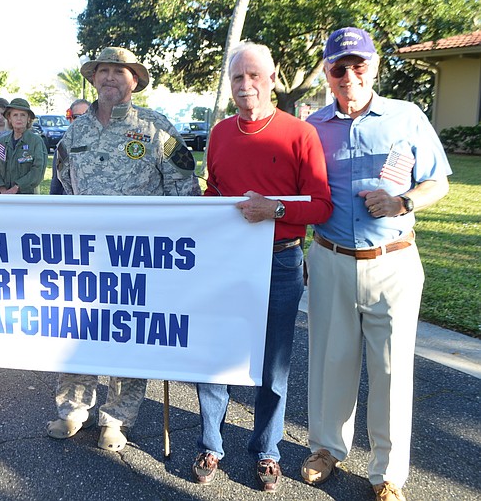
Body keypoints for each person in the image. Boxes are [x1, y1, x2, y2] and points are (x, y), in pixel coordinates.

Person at [300, 28, 451, 501]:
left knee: (390, 370)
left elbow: (438, 182)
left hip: (393, 262)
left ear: (374, 67)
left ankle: (388, 473)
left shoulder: (407, 117)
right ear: (326, 73)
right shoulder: (313, 126)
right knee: (330, 361)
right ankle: (326, 449)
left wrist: (403, 201)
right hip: (329, 258)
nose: (349, 75)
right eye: (338, 68)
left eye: (358, 65)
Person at [190, 43, 333, 492]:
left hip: (280, 259)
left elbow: (321, 206)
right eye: (237, 78)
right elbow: (216, 190)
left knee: (273, 365)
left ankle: (268, 451)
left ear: (272, 79)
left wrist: (272, 210)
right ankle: (211, 442)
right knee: (215, 355)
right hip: (226, 260)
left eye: (254, 76)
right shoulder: (220, 133)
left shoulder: (300, 133)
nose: (245, 85)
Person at [48, 47, 200, 451]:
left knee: (128, 333)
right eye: (103, 71)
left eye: (120, 71)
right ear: (93, 78)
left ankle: (116, 418)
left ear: (134, 80)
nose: (110, 77)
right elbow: (63, 183)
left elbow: (185, 190)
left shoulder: (156, 129)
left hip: (138, 256)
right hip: (83, 254)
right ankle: (72, 410)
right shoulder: (75, 131)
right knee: (77, 329)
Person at [0, 98, 47, 194]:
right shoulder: (1, 143)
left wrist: (16, 188)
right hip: (3, 197)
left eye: (23, 115)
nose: (19, 118)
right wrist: (3, 190)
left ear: (28, 119)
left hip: (27, 198)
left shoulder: (36, 142)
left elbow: (37, 171)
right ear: (9, 118)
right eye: (15, 115)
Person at [50, 98, 90, 195]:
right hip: (70, 203)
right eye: (77, 117)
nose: (82, 120)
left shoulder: (104, 145)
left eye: (86, 116)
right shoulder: (63, 146)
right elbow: (57, 183)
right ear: (70, 119)